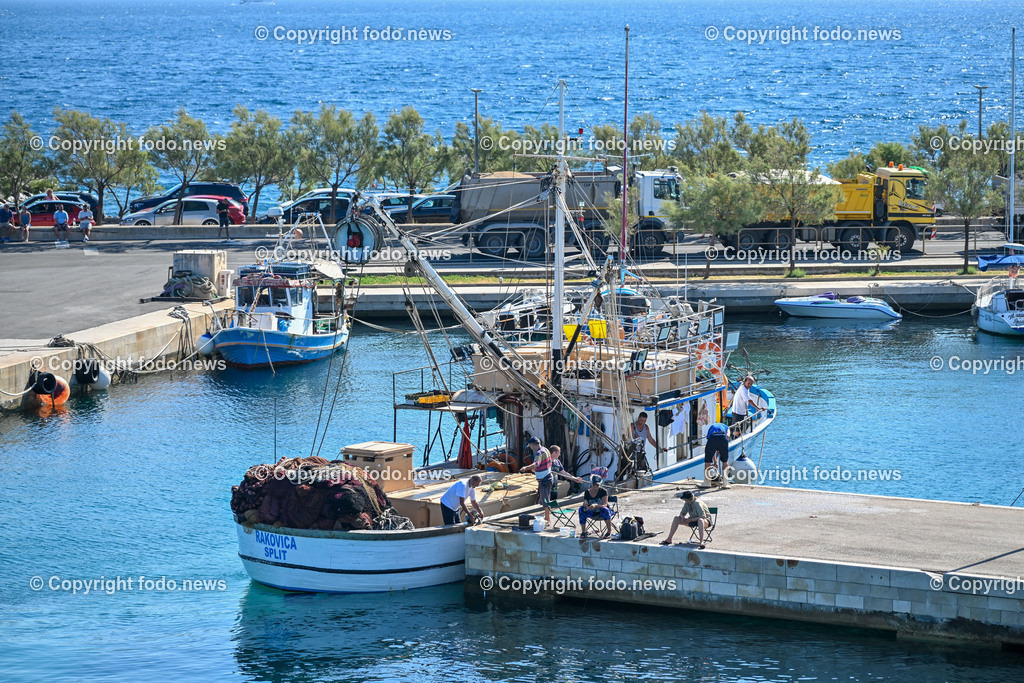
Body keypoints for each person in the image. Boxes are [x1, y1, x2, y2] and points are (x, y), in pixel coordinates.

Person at [521, 439, 580, 524]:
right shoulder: (545, 450)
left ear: (533, 445)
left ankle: (547, 519)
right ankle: (546, 516)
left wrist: (525, 468)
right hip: (549, 482)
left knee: (546, 501)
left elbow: (536, 465)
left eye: (530, 446)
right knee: (544, 500)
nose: (531, 448)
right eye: (559, 452)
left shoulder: (540, 453)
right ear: (554, 453)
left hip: (547, 482)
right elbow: (536, 468)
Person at [704, 422, 730, 488]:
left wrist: (715, 461)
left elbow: (711, 450)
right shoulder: (726, 427)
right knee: (725, 461)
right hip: (723, 438)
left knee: (708, 460)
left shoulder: (712, 426)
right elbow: (728, 436)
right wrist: (721, 449)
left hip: (713, 437)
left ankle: (707, 482)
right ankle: (725, 483)